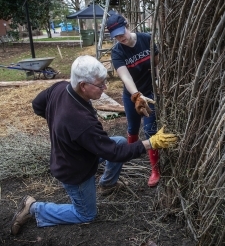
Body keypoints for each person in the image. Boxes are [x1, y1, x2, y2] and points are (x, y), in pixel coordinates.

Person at [10, 55, 177, 235]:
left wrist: (58, 124)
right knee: (86, 214)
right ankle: (34, 207)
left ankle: (107, 184)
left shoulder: (61, 87)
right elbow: (114, 153)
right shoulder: (81, 122)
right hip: (74, 170)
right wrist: (150, 142)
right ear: (83, 85)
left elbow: (37, 105)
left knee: (119, 141)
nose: (105, 88)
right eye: (100, 84)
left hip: (78, 153)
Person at [106, 12, 161, 187]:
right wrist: (137, 95)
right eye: (116, 36)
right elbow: (125, 77)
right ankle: (130, 155)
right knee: (132, 127)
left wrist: (158, 81)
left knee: (151, 130)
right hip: (132, 95)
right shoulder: (117, 51)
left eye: (122, 32)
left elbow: (158, 63)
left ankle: (155, 169)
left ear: (128, 26)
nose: (120, 38)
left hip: (151, 92)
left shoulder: (147, 39)